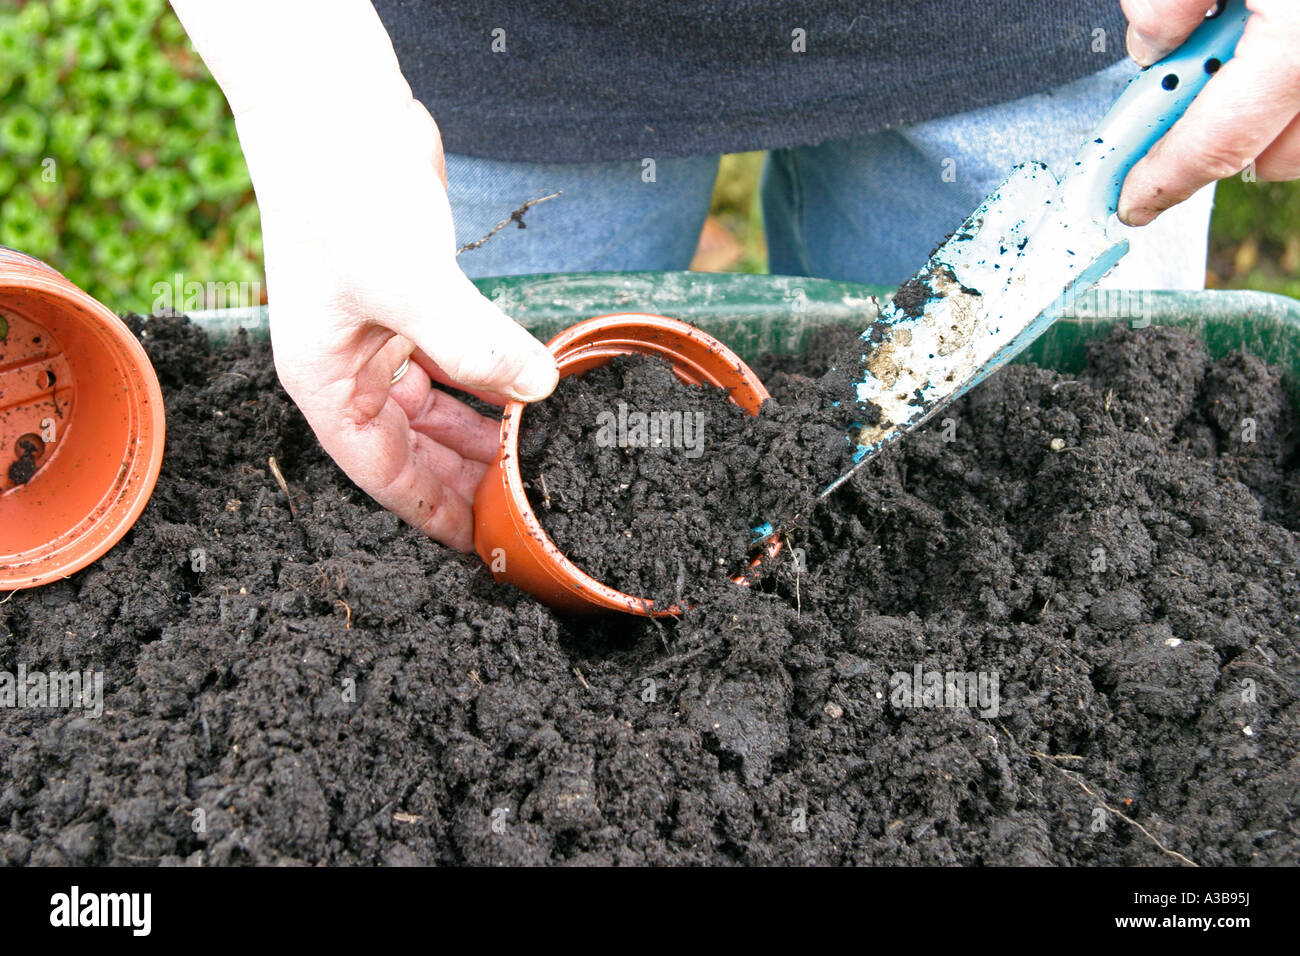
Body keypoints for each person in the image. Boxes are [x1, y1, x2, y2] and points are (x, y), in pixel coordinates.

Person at [170, 0, 1300, 553]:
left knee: (1045, 501)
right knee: (462, 486)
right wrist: (306, 92)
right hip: (483, 57)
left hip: (1057, 40)